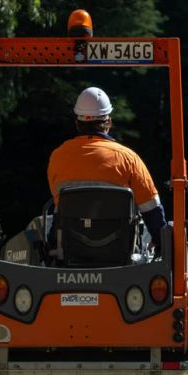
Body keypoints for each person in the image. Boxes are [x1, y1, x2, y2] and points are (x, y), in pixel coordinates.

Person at [47, 87, 167, 252]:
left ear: (77, 123)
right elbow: (152, 210)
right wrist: (160, 243)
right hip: (120, 254)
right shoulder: (128, 158)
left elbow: (58, 201)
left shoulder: (57, 157)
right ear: (108, 122)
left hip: (69, 252)